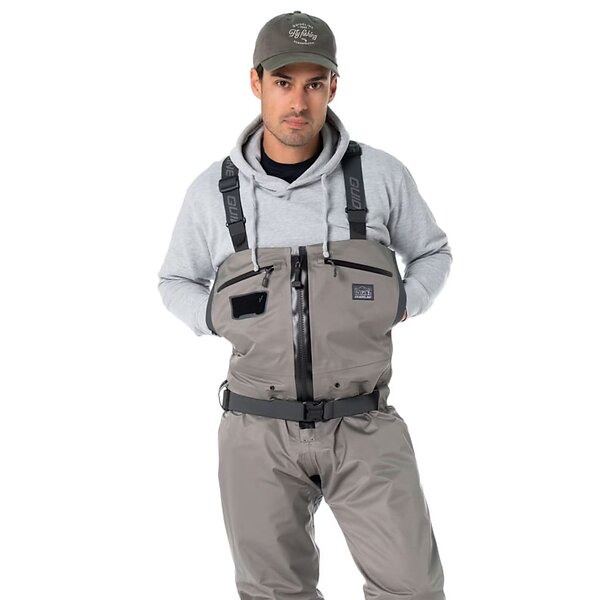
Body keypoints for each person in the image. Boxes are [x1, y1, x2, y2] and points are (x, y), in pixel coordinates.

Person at [157, 10, 452, 600]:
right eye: (283, 82)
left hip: (364, 423)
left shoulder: (380, 175)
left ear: (333, 86)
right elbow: (175, 280)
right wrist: (212, 318)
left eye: (314, 83)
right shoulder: (213, 192)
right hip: (254, 431)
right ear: (256, 82)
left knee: (413, 587)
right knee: (272, 593)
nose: (299, 101)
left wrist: (404, 303)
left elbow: (432, 252)